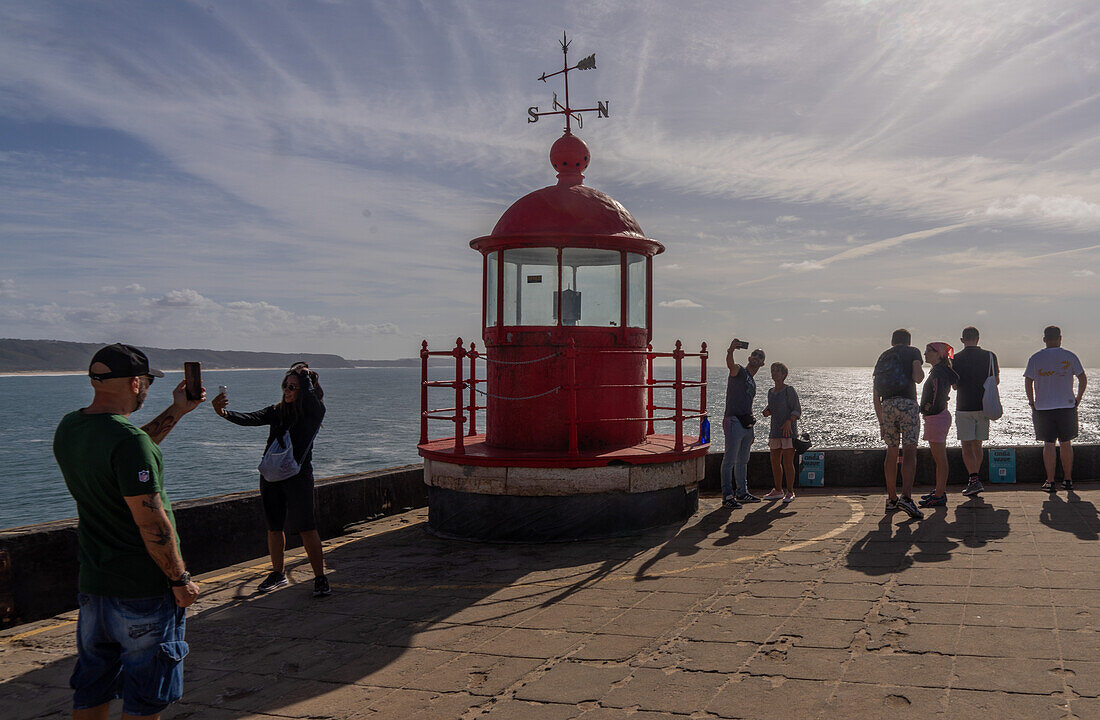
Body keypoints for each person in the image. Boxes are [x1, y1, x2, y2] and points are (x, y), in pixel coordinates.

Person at [53, 343, 204, 719]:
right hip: (142, 592)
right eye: (148, 383)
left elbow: (125, 450)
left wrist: (177, 412)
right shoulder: (130, 442)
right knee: (146, 697)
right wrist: (179, 578)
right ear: (136, 383)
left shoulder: (71, 427)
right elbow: (151, 522)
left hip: (95, 587)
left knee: (92, 689)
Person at [212, 363, 330, 596]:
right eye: (285, 386)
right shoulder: (277, 411)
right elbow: (250, 418)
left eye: (292, 387)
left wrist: (304, 376)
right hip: (272, 475)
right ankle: (278, 573)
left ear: (305, 389)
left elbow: (311, 399)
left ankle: (320, 577)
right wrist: (223, 413)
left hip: (298, 476)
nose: (287, 390)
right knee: (274, 526)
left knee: (307, 527)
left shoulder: (313, 413)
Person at [1024, 326, 1087, 491]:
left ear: (1044, 339)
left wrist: (1032, 402)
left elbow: (1028, 381)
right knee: (1066, 443)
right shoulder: (1070, 356)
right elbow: (1083, 378)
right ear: (1060, 338)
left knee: (1049, 444)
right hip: (1066, 406)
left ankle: (1050, 481)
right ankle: (1068, 480)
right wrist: (1078, 399)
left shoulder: (1036, 358)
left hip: (1043, 407)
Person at [873, 329, 925, 519]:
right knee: (910, 450)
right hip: (907, 403)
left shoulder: (883, 357)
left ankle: (892, 499)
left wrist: (881, 422)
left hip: (886, 406)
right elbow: (918, 377)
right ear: (909, 342)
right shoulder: (913, 352)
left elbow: (875, 394)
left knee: (891, 451)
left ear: (892, 341)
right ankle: (907, 497)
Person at [951, 326, 999, 497]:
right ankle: (975, 479)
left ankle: (974, 479)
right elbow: (996, 381)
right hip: (983, 406)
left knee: (966, 445)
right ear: (978, 338)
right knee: (978, 445)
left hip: (964, 406)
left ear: (962, 340)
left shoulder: (955, 359)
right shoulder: (990, 356)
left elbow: (954, 385)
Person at [721, 340, 766, 508]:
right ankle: (727, 497)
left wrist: (751, 429)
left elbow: (748, 405)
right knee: (729, 460)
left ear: (762, 363)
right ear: (749, 357)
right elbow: (730, 364)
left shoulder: (752, 381)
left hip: (746, 424)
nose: (756, 356)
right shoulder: (739, 371)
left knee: (742, 461)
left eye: (760, 356)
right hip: (733, 420)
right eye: (754, 354)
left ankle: (741, 492)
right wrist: (731, 349)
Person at [918, 343, 959, 508]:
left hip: (936, 417)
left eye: (929, 351)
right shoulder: (940, 370)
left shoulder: (938, 372)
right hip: (937, 417)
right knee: (939, 458)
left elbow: (938, 394)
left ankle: (940, 494)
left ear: (938, 354)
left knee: (940, 459)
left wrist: (928, 408)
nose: (925, 353)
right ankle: (938, 491)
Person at [761, 362, 801, 504]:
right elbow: (772, 407)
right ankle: (778, 490)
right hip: (775, 430)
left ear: (784, 374)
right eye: (772, 370)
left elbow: (796, 409)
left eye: (777, 371)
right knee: (774, 460)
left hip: (788, 432)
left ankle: (790, 491)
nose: (774, 373)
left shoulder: (789, 390)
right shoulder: (770, 392)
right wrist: (767, 411)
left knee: (787, 462)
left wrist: (790, 420)